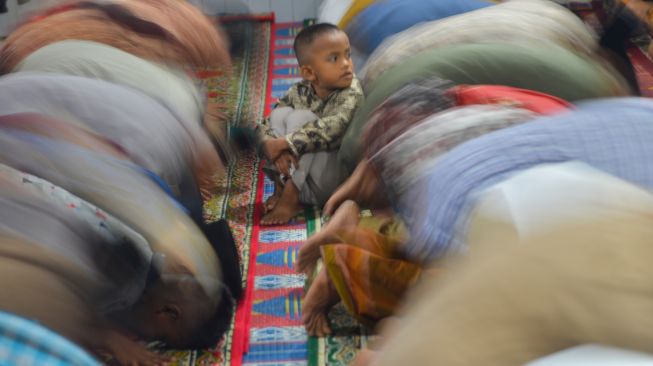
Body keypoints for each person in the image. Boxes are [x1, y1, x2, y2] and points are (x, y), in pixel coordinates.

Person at [257, 23, 364, 225]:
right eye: (334, 58)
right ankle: (283, 189)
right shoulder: (300, 90)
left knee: (302, 120)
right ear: (309, 73)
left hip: (335, 181)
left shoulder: (352, 92)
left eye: (347, 55)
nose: (346, 64)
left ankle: (290, 197)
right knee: (280, 115)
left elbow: (334, 128)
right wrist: (270, 143)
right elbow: (265, 123)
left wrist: (284, 143)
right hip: (306, 181)